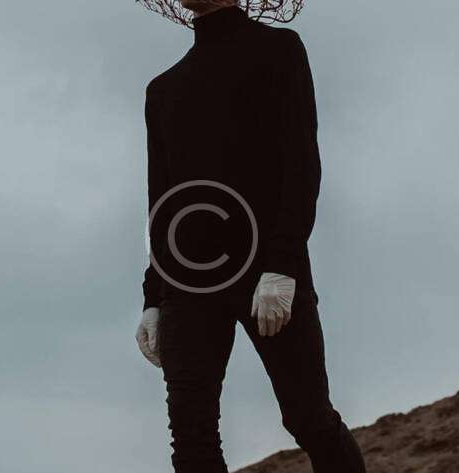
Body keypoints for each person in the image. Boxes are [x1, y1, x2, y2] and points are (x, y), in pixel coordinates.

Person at [135, 2, 367, 472]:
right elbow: (164, 202)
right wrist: (153, 298)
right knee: (192, 439)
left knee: (308, 417)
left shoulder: (279, 51)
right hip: (187, 283)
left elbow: (301, 163)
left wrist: (281, 264)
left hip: (267, 268)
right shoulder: (163, 90)